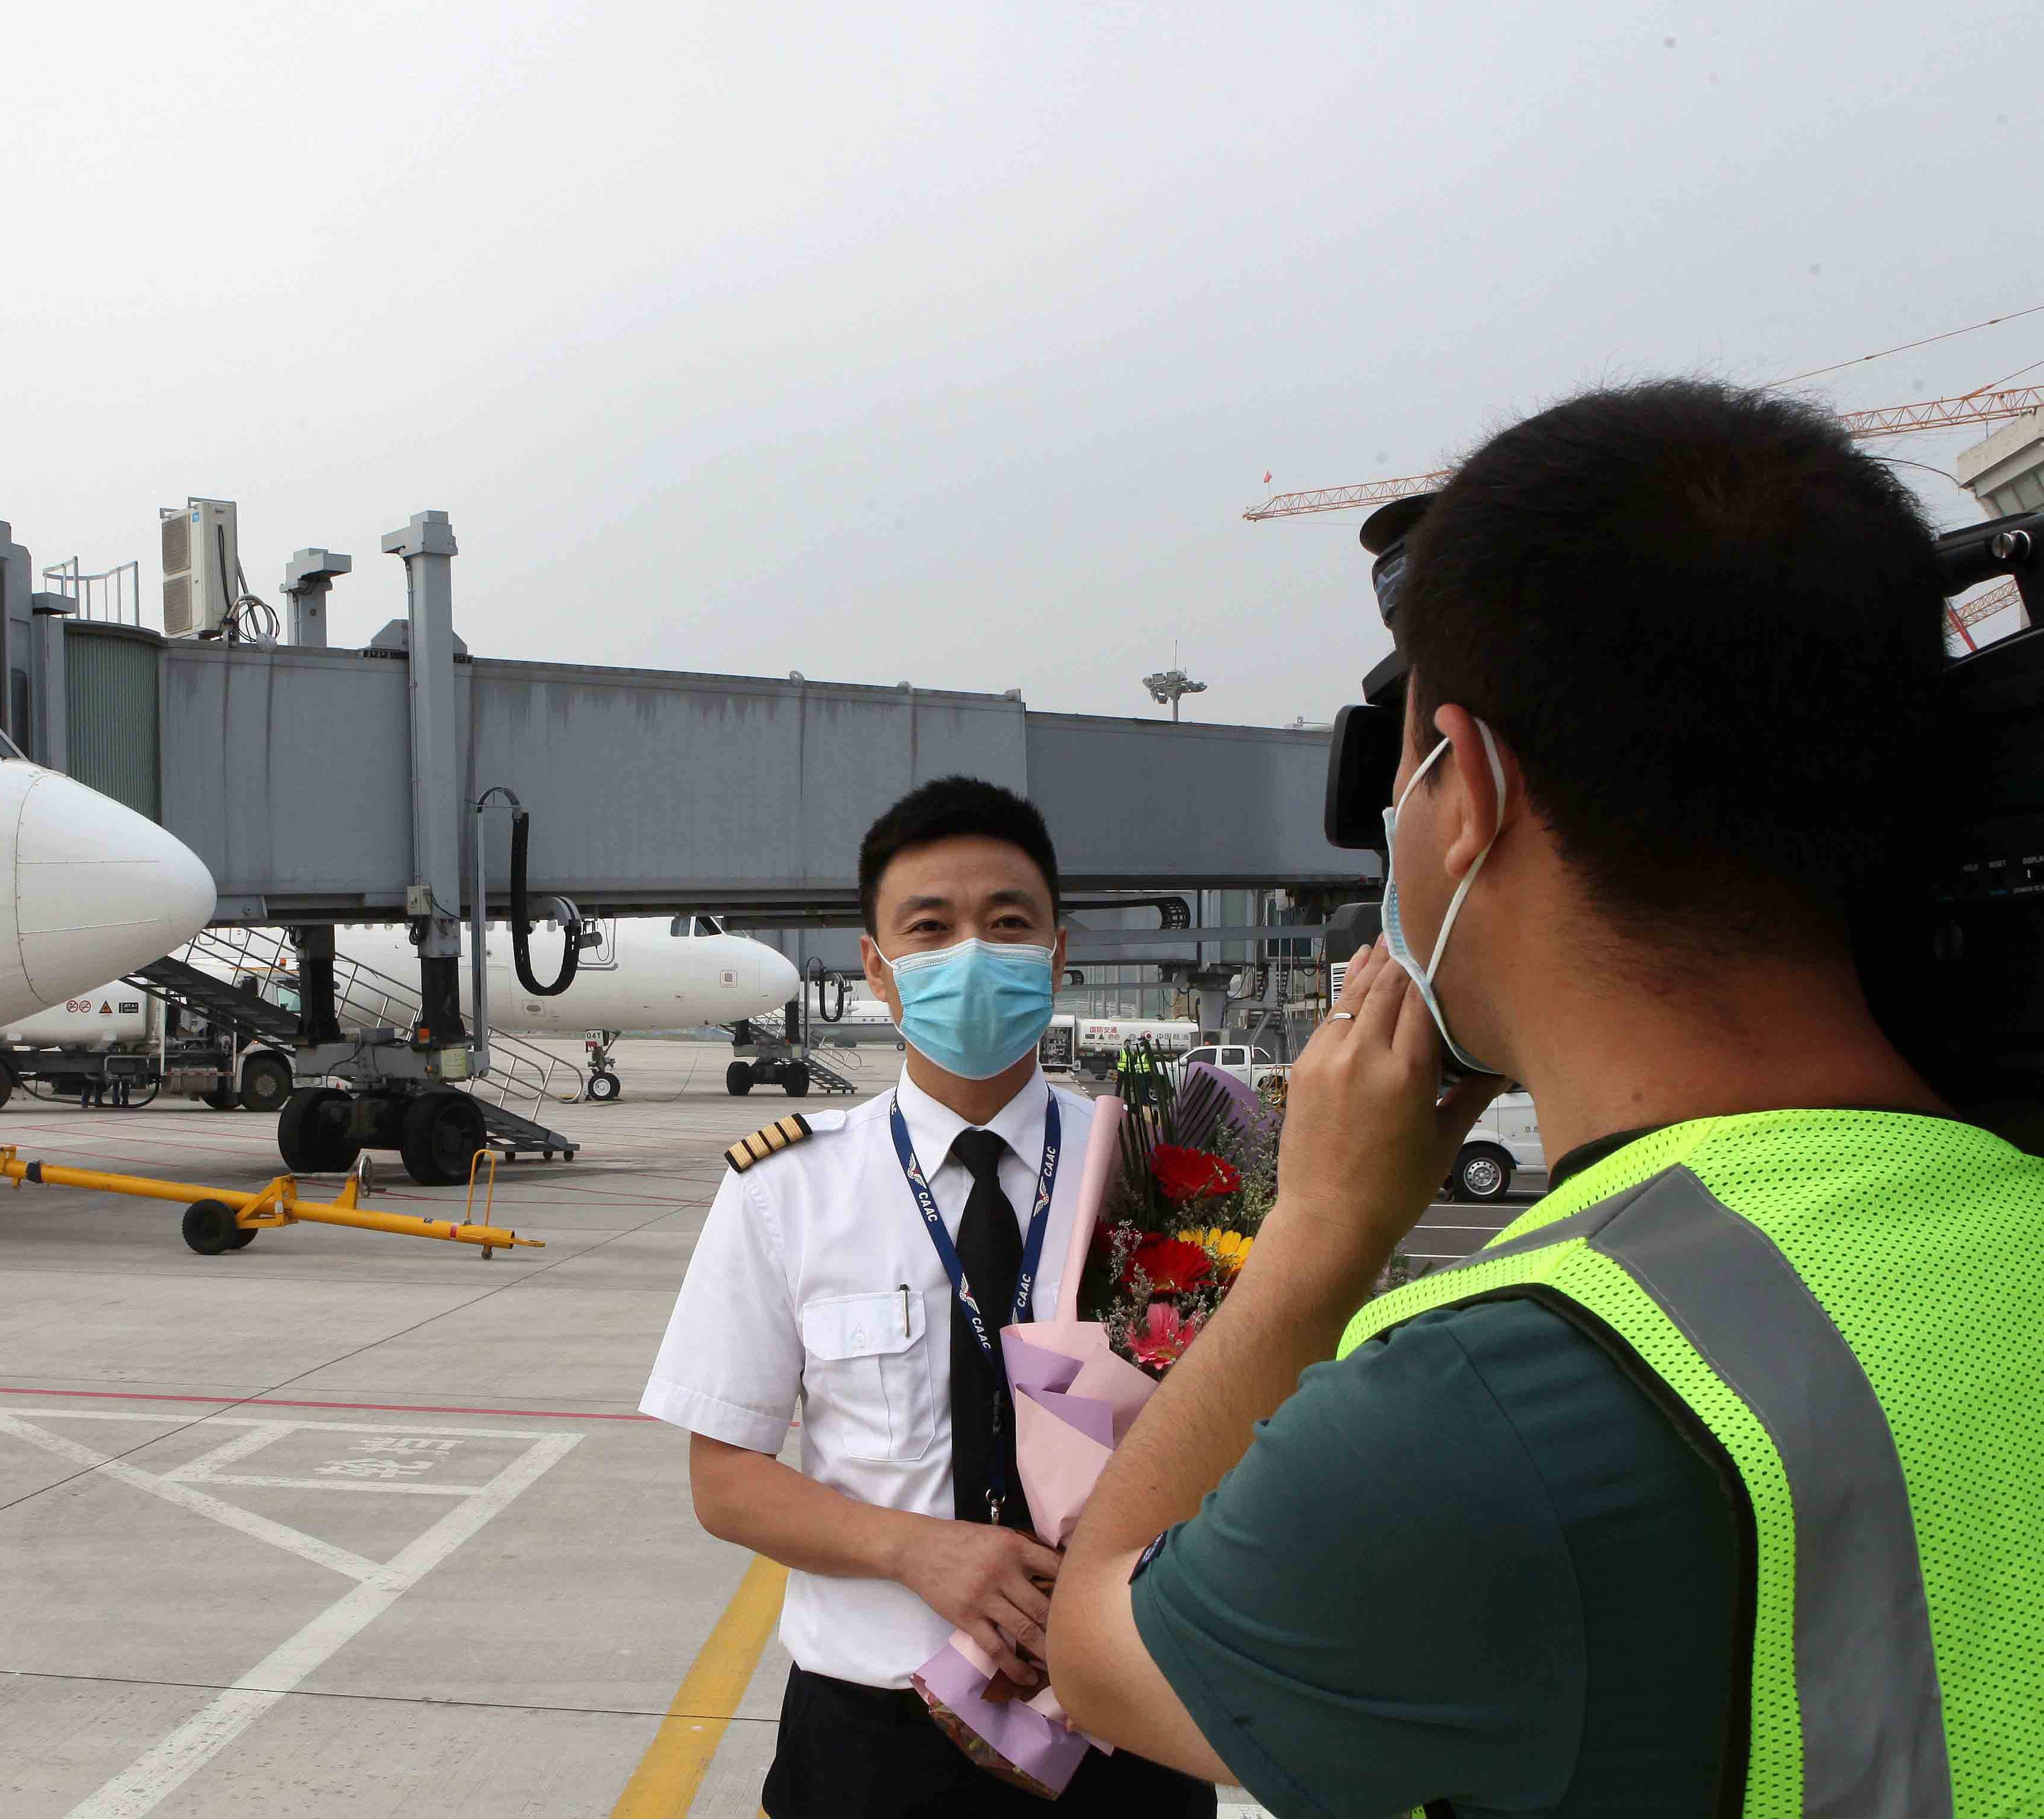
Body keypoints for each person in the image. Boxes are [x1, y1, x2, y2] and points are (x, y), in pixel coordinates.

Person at [1043, 379, 2044, 1817]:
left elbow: (1103, 1650)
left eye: (1402, 777)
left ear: (1473, 790)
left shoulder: (1491, 1398)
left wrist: (1322, 1231)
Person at [643, 776, 1214, 1818]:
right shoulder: (787, 1188)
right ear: (879, 966)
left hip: (1124, 1713)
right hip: (874, 1735)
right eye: (931, 927)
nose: (971, 952)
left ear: (1055, 950)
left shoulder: (1161, 1171)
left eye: (1006, 924)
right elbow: (725, 1479)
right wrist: (915, 1549)